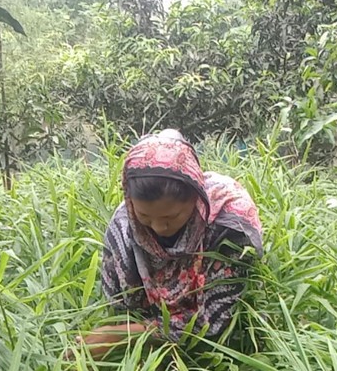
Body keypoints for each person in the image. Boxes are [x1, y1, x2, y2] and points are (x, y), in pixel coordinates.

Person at [77, 130, 263, 358]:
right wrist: (116, 331)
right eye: (145, 216)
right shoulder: (125, 224)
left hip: (216, 349)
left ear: (196, 199)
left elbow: (217, 323)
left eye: (170, 218)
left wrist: (128, 335)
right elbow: (119, 307)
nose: (157, 227)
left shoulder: (230, 224)